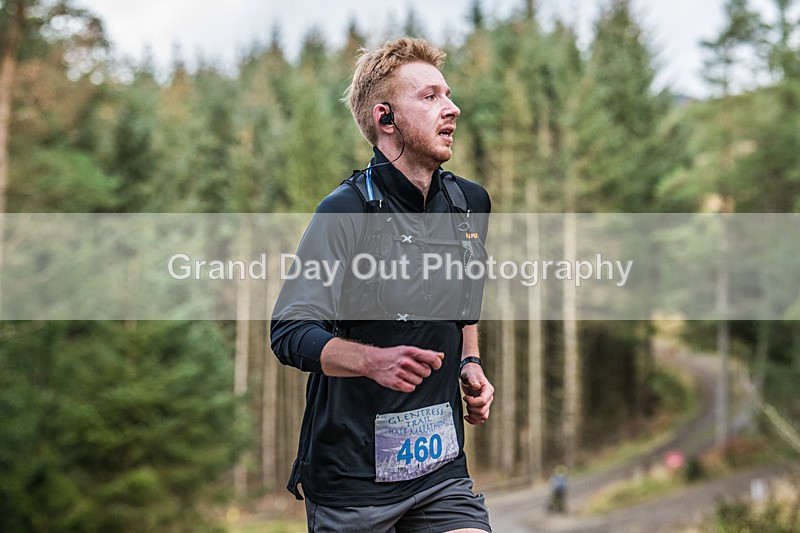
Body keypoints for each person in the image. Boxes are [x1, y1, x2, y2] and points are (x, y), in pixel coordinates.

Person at [270, 37, 494, 533]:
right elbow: (287, 331)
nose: (452, 109)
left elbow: (467, 298)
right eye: (430, 96)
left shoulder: (469, 203)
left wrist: (470, 360)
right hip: (352, 483)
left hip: (440, 473)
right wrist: (373, 361)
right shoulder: (345, 211)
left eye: (448, 94)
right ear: (385, 118)